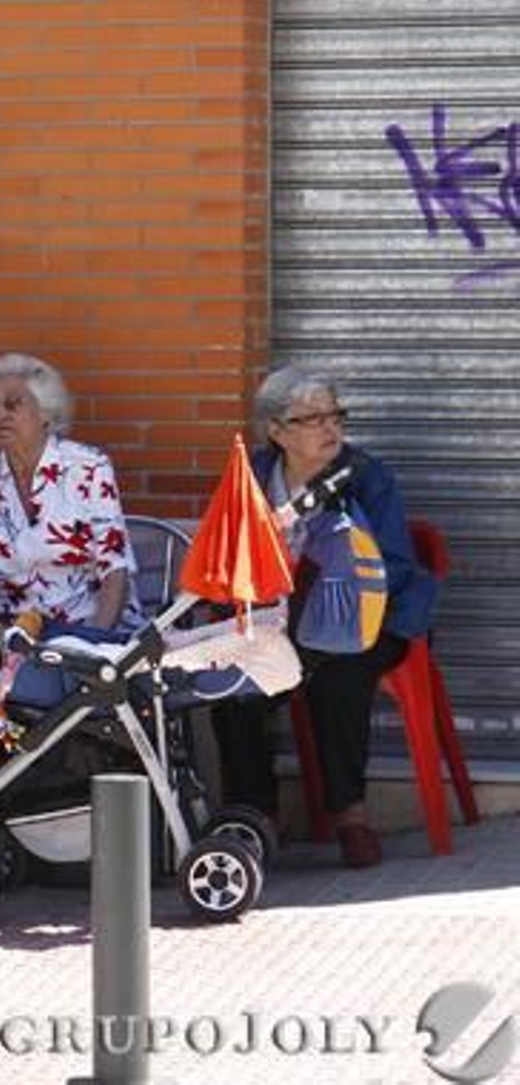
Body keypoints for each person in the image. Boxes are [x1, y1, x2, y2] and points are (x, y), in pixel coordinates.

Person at [211, 366, 437, 868]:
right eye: (312, 418)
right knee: (231, 680)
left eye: (335, 415)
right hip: (279, 624)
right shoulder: (250, 479)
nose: (330, 428)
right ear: (276, 430)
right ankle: (257, 816)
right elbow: (228, 560)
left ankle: (350, 815)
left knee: (339, 671)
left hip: (372, 616)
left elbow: (396, 566)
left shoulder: (366, 477)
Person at [0, 352, 140, 662]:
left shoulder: (87, 467)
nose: (0, 414)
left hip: (91, 626)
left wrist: (91, 647)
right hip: (12, 633)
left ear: (46, 413)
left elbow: (115, 568)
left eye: (13, 404)